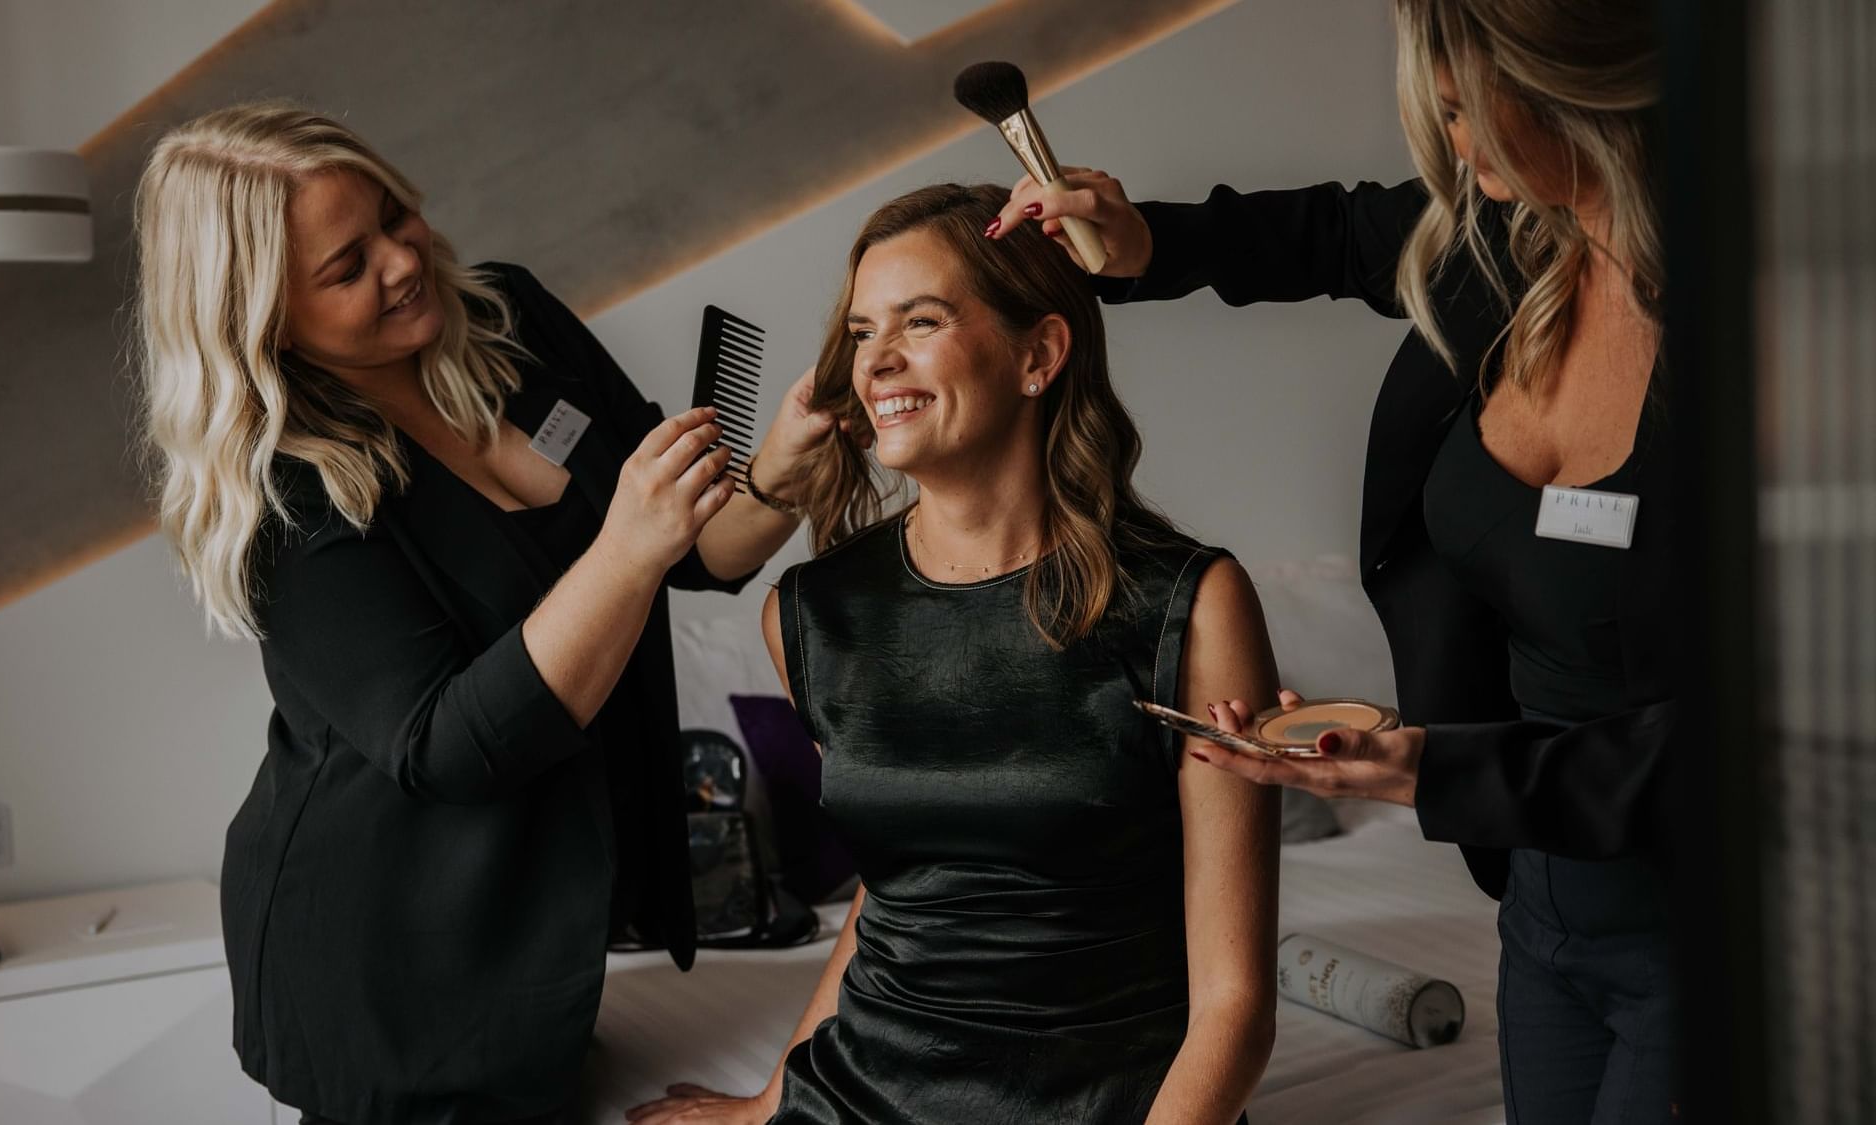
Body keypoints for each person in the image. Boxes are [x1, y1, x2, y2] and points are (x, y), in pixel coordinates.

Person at [990, 1, 1678, 1121]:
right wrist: (1141, 240)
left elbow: (1766, 739)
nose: (1450, 150)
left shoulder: (1774, 339)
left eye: (1463, 113)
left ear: (1572, 94)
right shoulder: (1510, 242)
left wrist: (1428, 771)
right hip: (1536, 896)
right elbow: (1335, 234)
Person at [134, 102, 835, 1124]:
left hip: (535, 935)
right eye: (346, 266)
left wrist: (781, 472)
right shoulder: (287, 489)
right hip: (388, 963)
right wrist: (626, 546)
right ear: (261, 317)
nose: (402, 261)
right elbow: (450, 745)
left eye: (394, 216)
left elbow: (683, 546)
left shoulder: (510, 322)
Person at [628, 183, 1280, 1125]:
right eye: (860, 332)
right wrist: (770, 1103)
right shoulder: (813, 614)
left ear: (1039, 354)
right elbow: (897, 897)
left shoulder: (1191, 603)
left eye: (921, 320)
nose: (877, 361)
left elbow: (1234, 1003)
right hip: (863, 1094)